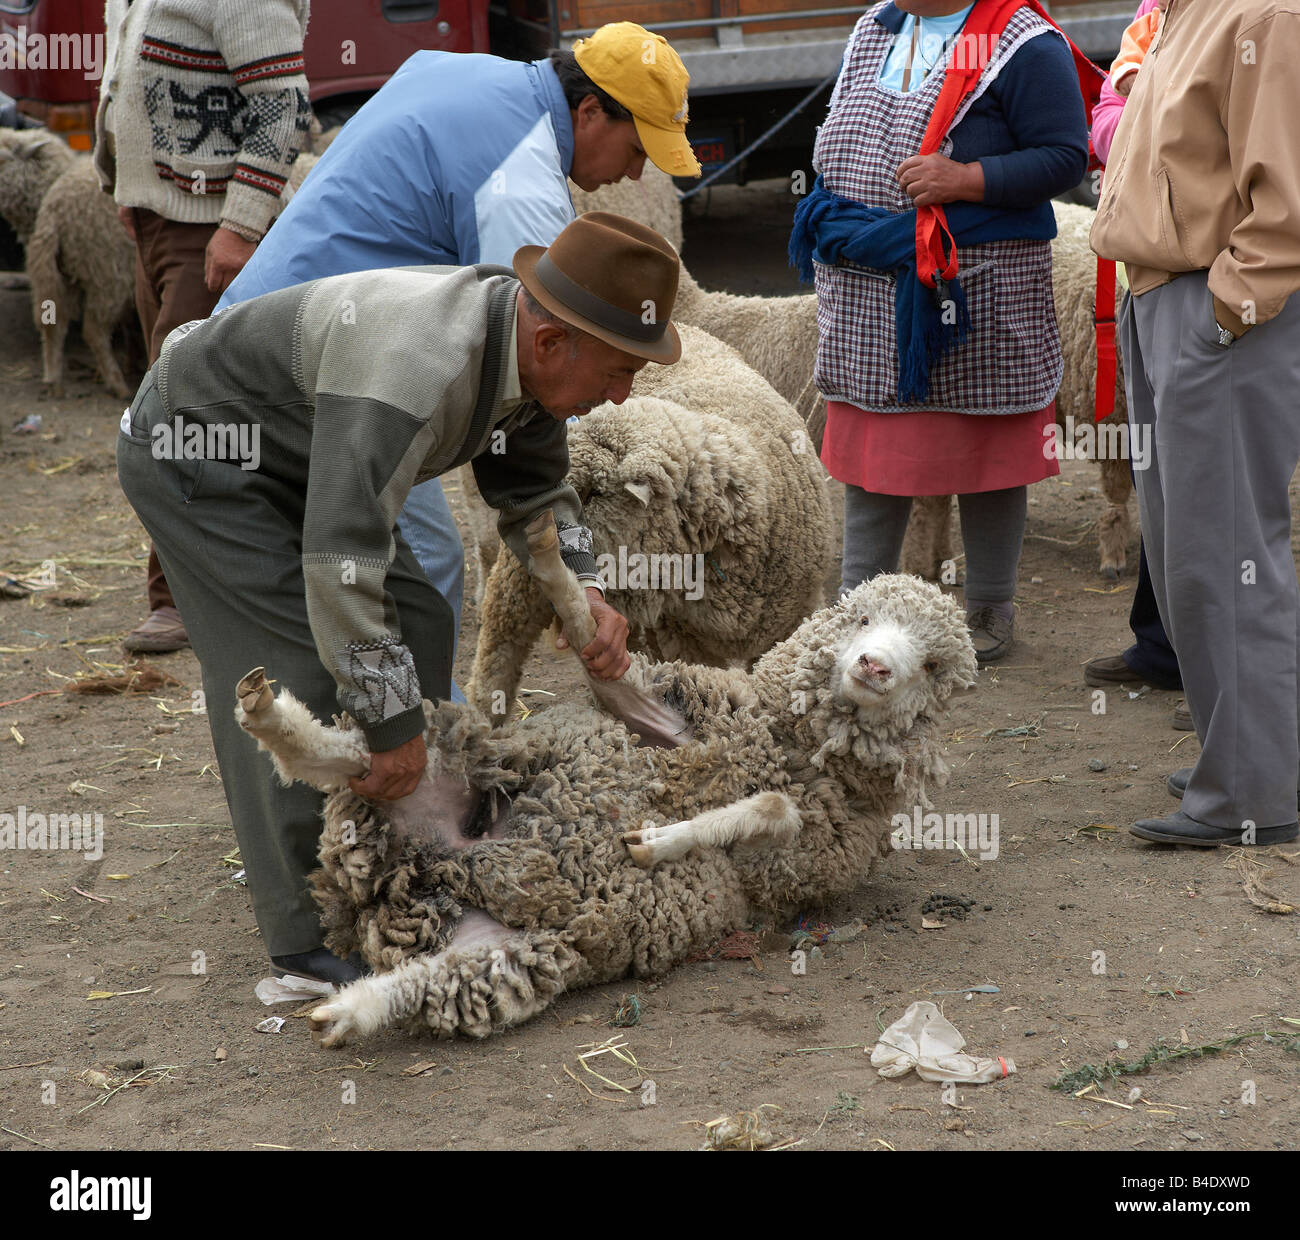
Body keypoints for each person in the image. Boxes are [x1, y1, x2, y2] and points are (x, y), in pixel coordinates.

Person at [116, 213, 681, 980]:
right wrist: (389, 723)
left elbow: (537, 496)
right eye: (618, 373)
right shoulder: (420, 366)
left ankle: (405, 844)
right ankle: (307, 936)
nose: (619, 398)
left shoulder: (526, 361)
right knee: (290, 667)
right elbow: (342, 559)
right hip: (200, 450)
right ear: (553, 343)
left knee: (417, 612)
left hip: (307, 457)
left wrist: (586, 595)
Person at [217, 22, 701, 702]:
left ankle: (408, 736)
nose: (635, 172)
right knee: (402, 565)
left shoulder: (476, 75)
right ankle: (422, 746)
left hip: (272, 326)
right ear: (590, 111)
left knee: (388, 565)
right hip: (302, 378)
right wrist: (578, 572)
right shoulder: (520, 185)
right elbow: (542, 380)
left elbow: (521, 429)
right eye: (637, 147)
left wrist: (574, 577)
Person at [790, 0, 1089, 663]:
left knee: (988, 456)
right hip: (870, 285)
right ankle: (858, 609)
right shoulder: (880, 25)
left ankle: (988, 609)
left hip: (971, 288)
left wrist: (967, 178)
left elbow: (1067, 156)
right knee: (872, 456)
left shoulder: (1024, 44)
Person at [1092, 0, 1300, 848]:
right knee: (1187, 556)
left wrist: (1226, 313)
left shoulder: (1267, 13)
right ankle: (1247, 757)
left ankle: (1254, 792)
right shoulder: (1189, 9)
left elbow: (1284, 196)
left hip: (1214, 312)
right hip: (1163, 297)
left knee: (1227, 554)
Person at [93, 0, 312, 654]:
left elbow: (283, 101)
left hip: (211, 227)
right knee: (172, 405)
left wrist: (243, 222)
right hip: (158, 220)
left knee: (179, 410)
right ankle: (211, 580)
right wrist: (122, 185)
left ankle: (181, 597)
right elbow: (122, 83)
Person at [1081, 0, 1189, 731]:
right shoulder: (1159, 12)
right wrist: (1136, 120)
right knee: (1162, 477)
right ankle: (1167, 649)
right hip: (1149, 269)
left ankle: (1235, 688)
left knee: (1221, 499)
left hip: (1208, 275)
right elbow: (1110, 116)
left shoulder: (1263, 19)